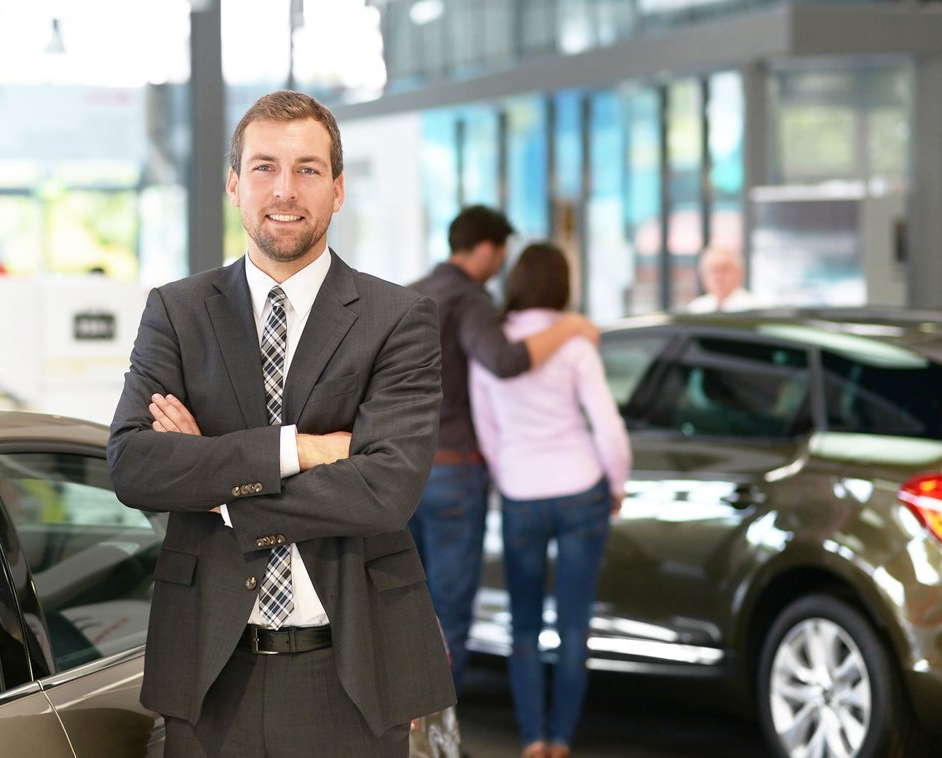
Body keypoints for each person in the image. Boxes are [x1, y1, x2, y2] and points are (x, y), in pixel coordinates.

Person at [107, 90, 455, 757]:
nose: (285, 190)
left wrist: (218, 485)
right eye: (265, 167)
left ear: (338, 189)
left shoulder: (397, 319)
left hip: (354, 668)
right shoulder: (177, 313)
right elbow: (133, 465)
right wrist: (302, 449)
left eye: (308, 169)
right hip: (210, 668)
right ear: (235, 184)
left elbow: (387, 489)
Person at [408, 206, 598, 695]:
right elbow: (505, 360)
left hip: (405, 471)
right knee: (448, 615)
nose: (501, 266)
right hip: (454, 473)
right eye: (501, 253)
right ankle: (439, 741)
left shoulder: (410, 293)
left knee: (408, 610)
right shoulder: (470, 299)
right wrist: (572, 326)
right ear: (488, 249)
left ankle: (403, 741)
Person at [469, 242, 631, 758]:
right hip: (581, 488)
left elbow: (486, 430)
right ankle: (562, 739)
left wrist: (506, 475)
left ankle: (531, 739)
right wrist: (617, 483)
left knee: (523, 626)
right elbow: (608, 428)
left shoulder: (492, 346)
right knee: (573, 625)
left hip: (521, 492)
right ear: (562, 285)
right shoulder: (576, 343)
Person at [686, 244, 762, 312]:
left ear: (740, 273)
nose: (718, 277)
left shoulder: (756, 309)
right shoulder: (695, 309)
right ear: (703, 276)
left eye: (724, 269)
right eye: (712, 270)